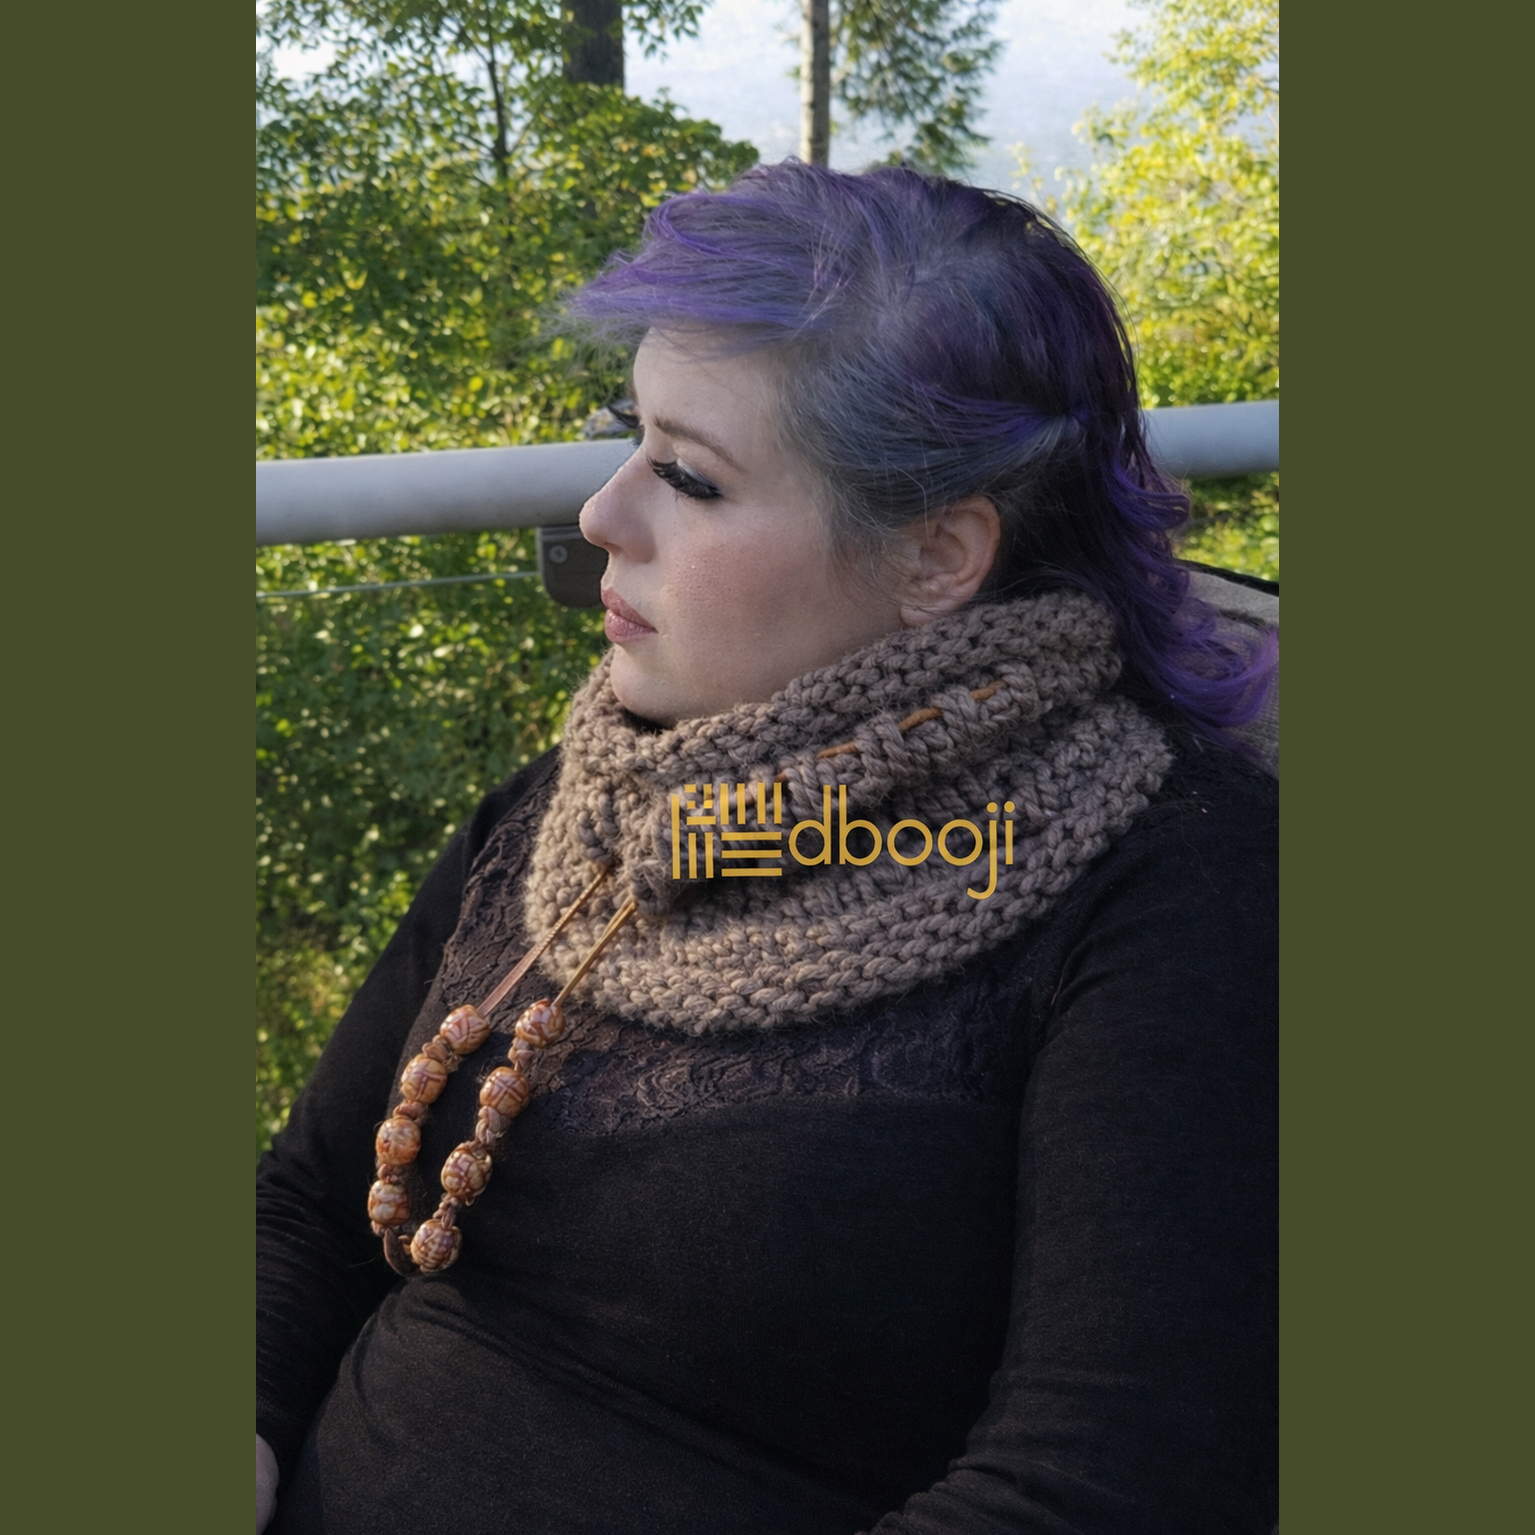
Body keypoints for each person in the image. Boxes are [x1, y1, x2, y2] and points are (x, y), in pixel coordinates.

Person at [257, 161, 1278, 1534]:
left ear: (937, 557)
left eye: (688, 476)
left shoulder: (1174, 892)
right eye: (630, 438)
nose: (600, 515)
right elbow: (309, 1206)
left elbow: (1105, 1483)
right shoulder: (597, 797)